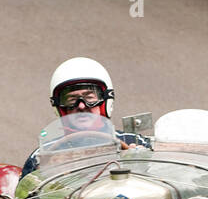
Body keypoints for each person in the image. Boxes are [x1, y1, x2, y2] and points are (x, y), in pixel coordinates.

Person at [21, 57, 149, 175]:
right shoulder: (43, 155)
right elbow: (24, 196)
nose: (81, 106)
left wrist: (143, 157)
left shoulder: (133, 141)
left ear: (105, 100)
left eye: (90, 98)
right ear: (60, 107)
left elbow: (165, 176)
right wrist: (43, 173)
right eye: (71, 100)